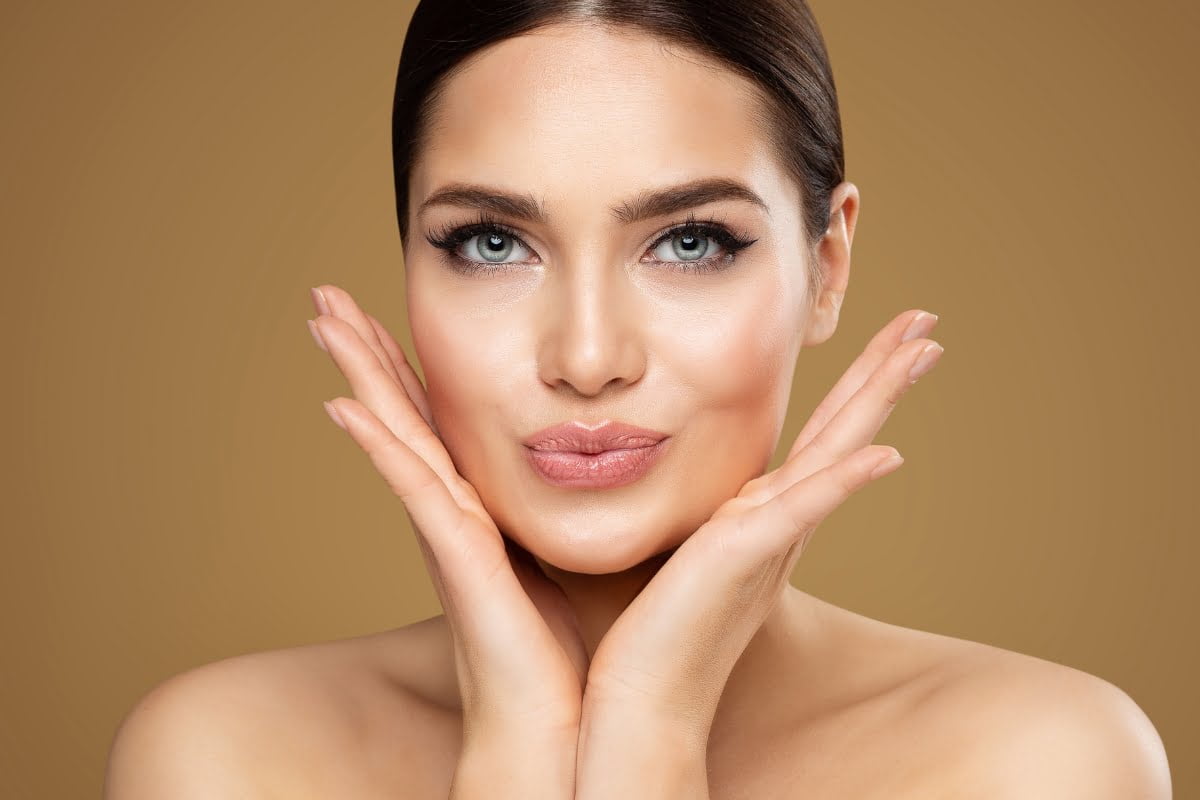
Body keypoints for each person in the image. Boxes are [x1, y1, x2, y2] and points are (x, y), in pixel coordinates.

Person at [104, 1, 1171, 797]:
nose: (586, 354)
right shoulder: (228, 757)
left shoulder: (1037, 760)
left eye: (690, 241)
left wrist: (650, 731)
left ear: (828, 264)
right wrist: (519, 743)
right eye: (491, 242)